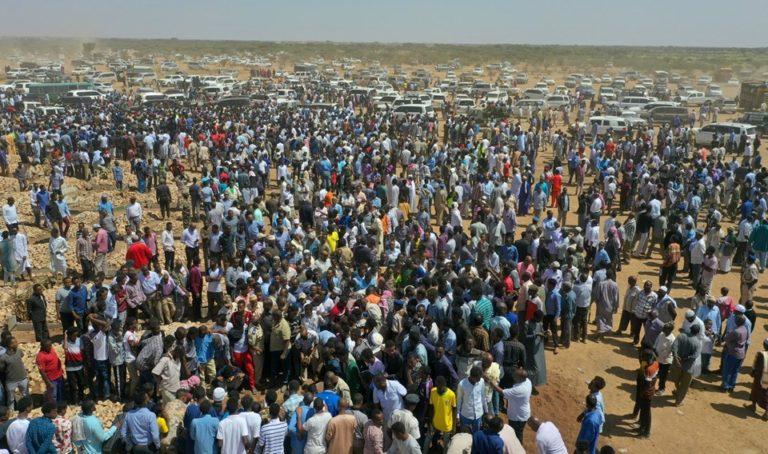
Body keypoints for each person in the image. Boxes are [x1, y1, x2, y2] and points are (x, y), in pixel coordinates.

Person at [632, 350, 659, 438]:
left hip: (646, 393)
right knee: (644, 411)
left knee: (646, 412)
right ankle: (642, 428)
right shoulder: (655, 363)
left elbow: (646, 384)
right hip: (650, 392)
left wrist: (641, 393)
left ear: (648, 357)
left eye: (643, 357)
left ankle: (646, 432)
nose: (642, 359)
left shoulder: (648, 369)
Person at [456, 366, 488, 432]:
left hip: (478, 415)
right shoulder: (462, 384)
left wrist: (486, 411)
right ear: (472, 376)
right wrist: (458, 415)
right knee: (465, 434)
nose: (479, 380)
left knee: (476, 434)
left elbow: (483, 396)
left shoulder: (481, 382)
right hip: (465, 414)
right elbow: (459, 400)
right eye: (478, 378)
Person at [746, 338, 768, 420]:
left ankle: (753, 405)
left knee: (755, 390)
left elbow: (757, 366)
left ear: (764, 345)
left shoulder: (761, 354)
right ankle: (766, 412)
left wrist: (753, 373)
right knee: (766, 394)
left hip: (760, 377)